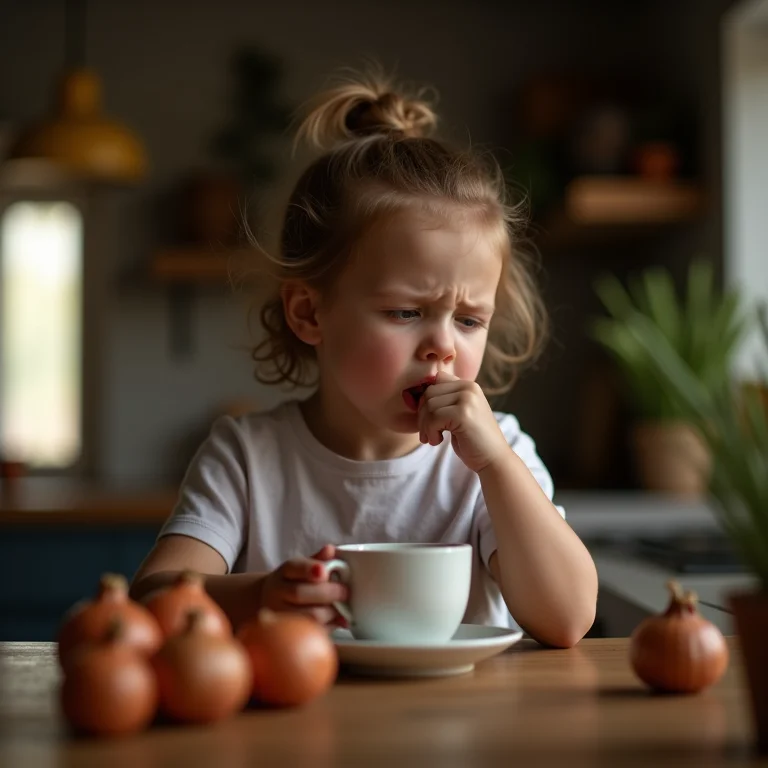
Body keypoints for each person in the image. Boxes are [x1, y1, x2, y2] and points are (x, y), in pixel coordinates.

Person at [131, 71, 598, 648]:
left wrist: (497, 466)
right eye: (406, 312)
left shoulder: (495, 460)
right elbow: (150, 600)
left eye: (470, 319)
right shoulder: (247, 458)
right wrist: (260, 597)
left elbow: (569, 618)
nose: (443, 346)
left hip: (468, 731)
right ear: (309, 313)